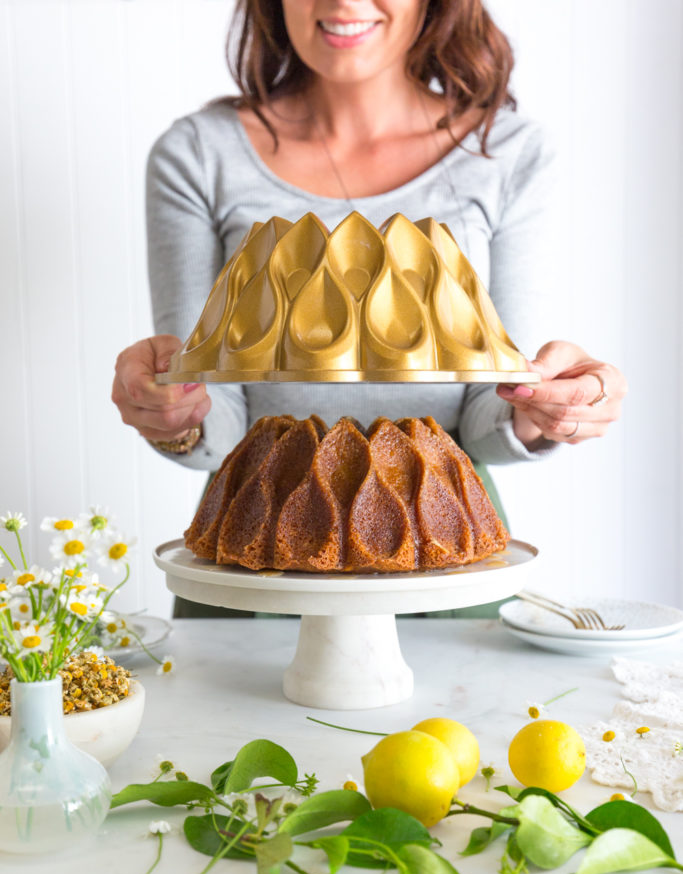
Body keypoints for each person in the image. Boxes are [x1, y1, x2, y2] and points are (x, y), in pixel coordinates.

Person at [112, 0, 626, 521]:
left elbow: (488, 413)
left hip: (439, 522)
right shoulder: (199, 153)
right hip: (263, 522)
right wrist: (174, 414)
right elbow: (210, 410)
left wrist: (547, 407)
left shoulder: (510, 153)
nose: (344, 3)